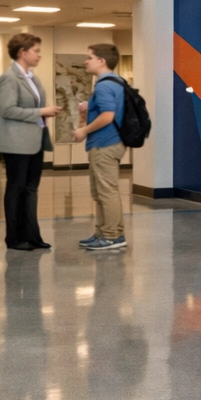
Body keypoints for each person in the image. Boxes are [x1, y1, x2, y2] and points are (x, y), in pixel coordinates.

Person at [0, 32, 59, 252]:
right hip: (16, 143)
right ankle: (13, 238)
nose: (39, 55)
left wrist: (44, 112)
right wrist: (41, 111)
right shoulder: (9, 78)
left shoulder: (33, 78)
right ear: (23, 53)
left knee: (31, 189)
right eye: (36, 51)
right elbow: (7, 109)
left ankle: (32, 235)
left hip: (35, 141)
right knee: (16, 189)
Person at [72, 43, 128, 252]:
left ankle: (113, 236)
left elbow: (108, 115)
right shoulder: (117, 82)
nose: (86, 61)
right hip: (111, 142)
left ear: (101, 61)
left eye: (89, 57)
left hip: (105, 143)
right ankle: (103, 232)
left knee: (106, 191)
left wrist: (83, 131)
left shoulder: (104, 85)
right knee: (101, 191)